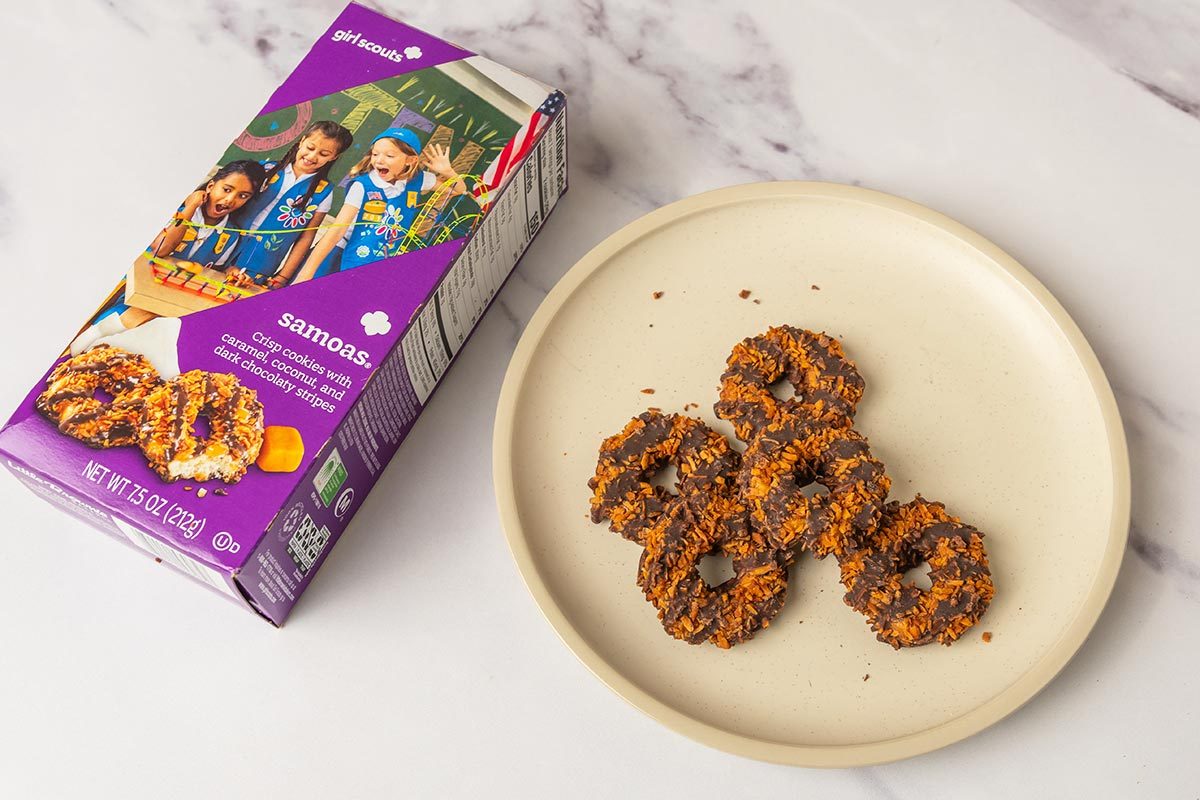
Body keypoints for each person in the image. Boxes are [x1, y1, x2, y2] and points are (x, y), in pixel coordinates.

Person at [70, 161, 265, 353]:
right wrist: (190, 207)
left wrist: (234, 272)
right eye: (226, 189)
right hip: (137, 295)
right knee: (111, 329)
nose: (231, 199)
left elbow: (217, 271)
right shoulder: (177, 212)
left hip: (174, 306)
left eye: (242, 196)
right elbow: (161, 249)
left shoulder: (231, 234)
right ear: (211, 186)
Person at [292, 128, 465, 283]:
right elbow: (335, 232)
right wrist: (306, 274)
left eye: (389, 156)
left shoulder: (418, 180)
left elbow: (457, 190)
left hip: (374, 258)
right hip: (339, 254)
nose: (379, 161)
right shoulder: (362, 186)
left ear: (410, 160)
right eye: (375, 154)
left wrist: (448, 172)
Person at [225, 121, 354, 289]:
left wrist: (283, 277)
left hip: (260, 263)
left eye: (323, 154)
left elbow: (306, 237)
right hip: (222, 246)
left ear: (333, 157)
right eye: (310, 147)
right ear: (302, 141)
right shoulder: (265, 169)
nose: (312, 156)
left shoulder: (324, 192)